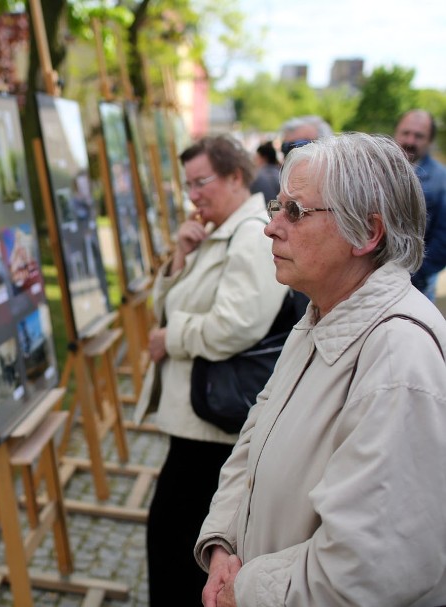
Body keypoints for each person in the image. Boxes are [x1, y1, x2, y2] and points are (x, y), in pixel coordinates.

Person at [196, 133, 446, 607]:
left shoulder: (398, 358)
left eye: (295, 211)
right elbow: (253, 443)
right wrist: (224, 542)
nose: (271, 227)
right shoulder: (322, 314)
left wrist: (242, 590)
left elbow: (371, 568)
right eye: (277, 206)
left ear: (367, 233)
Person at [145, 135, 288, 606]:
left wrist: (173, 338)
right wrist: (182, 257)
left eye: (201, 181)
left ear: (234, 176)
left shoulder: (249, 236)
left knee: (177, 543)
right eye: (187, 184)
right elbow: (163, 305)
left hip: (212, 422)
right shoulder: (217, 231)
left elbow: (238, 324)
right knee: (174, 537)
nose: (193, 194)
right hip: (196, 418)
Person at [394, 108, 446, 300]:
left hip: (416, 286)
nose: (410, 141)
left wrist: (415, 275)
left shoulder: (442, 180)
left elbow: (444, 238)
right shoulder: (376, 170)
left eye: (419, 136)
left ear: (429, 141)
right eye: (405, 133)